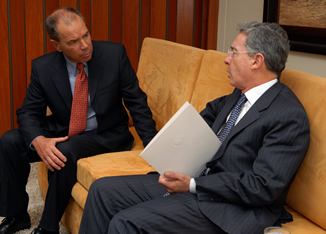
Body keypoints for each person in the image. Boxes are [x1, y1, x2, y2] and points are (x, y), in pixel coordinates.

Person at [78, 21, 310, 234]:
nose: (226, 59)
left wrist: (192, 184)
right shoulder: (239, 96)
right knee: (101, 191)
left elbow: (262, 187)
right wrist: (170, 147)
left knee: (125, 222)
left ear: (256, 61)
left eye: (233, 52)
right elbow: (202, 119)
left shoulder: (288, 115)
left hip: (232, 208)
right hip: (198, 182)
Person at [0, 7, 157, 234]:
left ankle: (48, 228)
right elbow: (28, 112)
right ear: (56, 45)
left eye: (86, 35)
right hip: (65, 128)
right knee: (9, 141)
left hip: (105, 134)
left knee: (63, 150)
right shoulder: (43, 67)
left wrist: (155, 146)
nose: (85, 45)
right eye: (74, 41)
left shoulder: (113, 55)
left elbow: (136, 101)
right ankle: (17, 216)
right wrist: (39, 140)